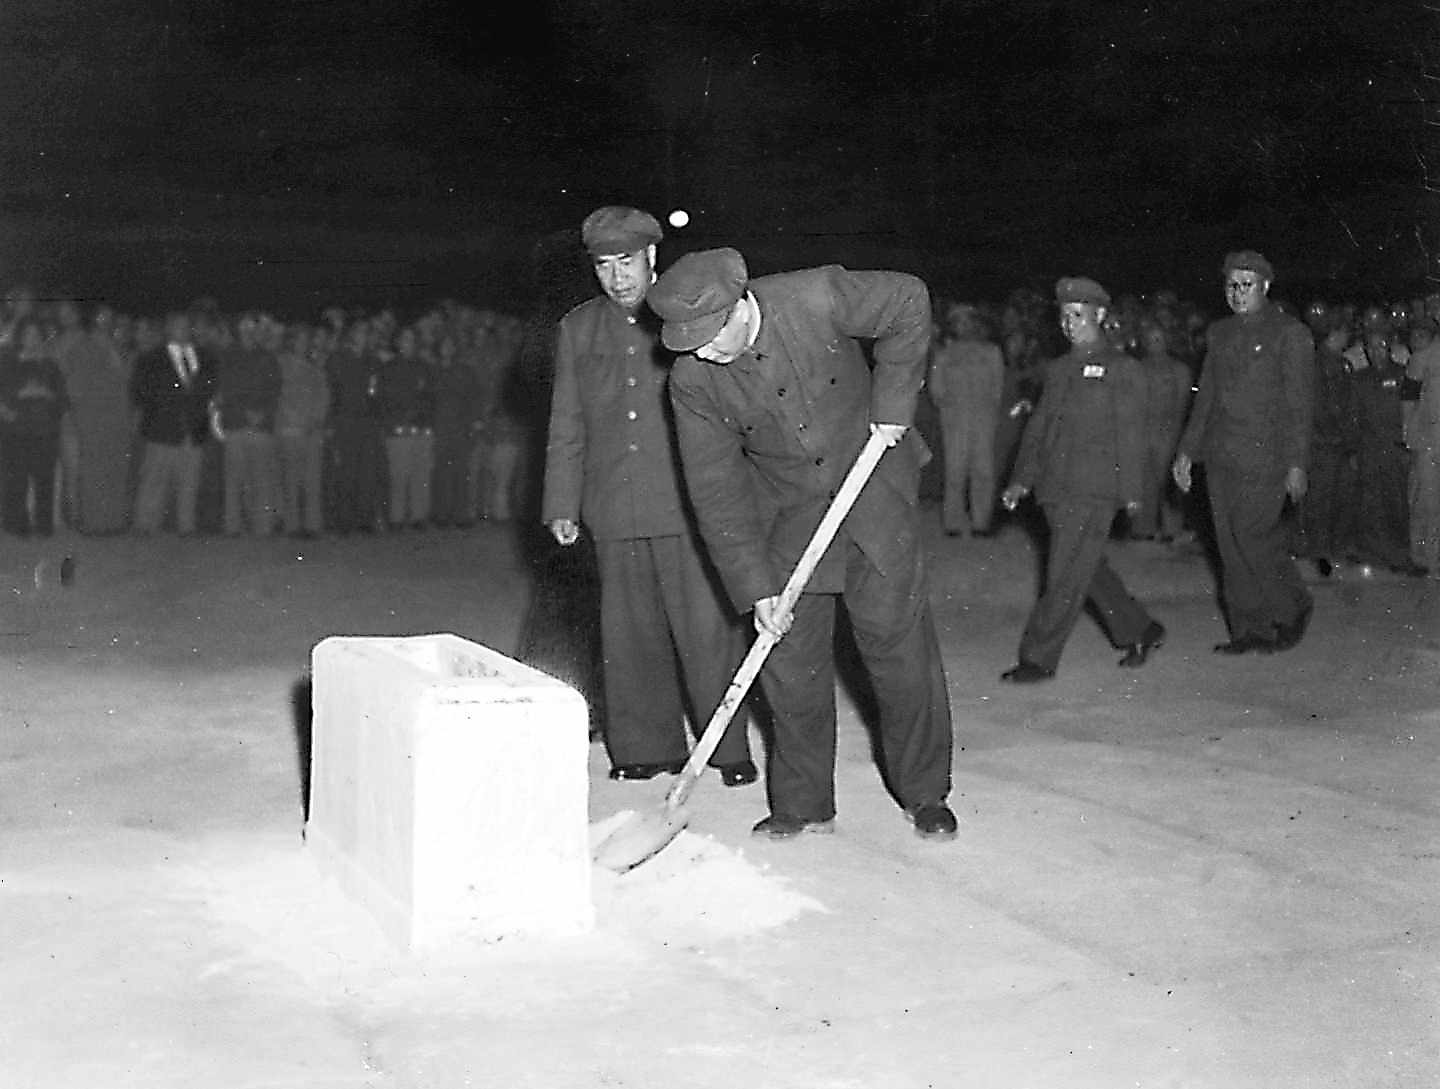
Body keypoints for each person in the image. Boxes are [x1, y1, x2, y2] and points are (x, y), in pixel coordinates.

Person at [650, 246, 957, 841]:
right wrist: (755, 586)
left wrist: (894, 404)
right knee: (791, 663)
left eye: (712, 335)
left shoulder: (815, 295)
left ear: (743, 305)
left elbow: (907, 298)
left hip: (872, 489)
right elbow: (715, 489)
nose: (703, 352)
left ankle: (924, 793)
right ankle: (802, 802)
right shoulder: (692, 379)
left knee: (898, 654)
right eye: (687, 341)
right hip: (786, 515)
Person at [541, 208, 756, 787]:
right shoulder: (578, 328)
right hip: (612, 503)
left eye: (628, 262)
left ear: (652, 259)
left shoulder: (682, 315)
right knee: (627, 631)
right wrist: (562, 502)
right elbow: (568, 420)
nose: (618, 278)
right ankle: (644, 747)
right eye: (606, 266)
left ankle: (726, 747)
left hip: (687, 503)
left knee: (706, 629)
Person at [997, 277, 1164, 682]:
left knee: (1063, 574)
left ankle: (1038, 657)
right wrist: (1022, 479)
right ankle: (1140, 629)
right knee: (1082, 568)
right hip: (1055, 487)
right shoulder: (1057, 369)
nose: (1069, 323)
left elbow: (1131, 434)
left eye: (1077, 315)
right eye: (1064, 316)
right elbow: (1038, 429)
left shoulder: (1122, 369)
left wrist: (1131, 494)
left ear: (1101, 316)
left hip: (1095, 489)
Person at [1172, 251, 1315, 654]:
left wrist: (1297, 463)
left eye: (1246, 285)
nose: (1237, 293)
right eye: (1231, 285)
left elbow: (1300, 405)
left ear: (1266, 286)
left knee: (1252, 536)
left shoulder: (1290, 334)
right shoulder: (1220, 334)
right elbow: (1206, 400)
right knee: (1229, 545)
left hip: (1267, 455)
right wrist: (1186, 452)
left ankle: (1291, 607)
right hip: (1222, 455)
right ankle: (1250, 628)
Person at [129, 311, 217, 536]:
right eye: (178, 325)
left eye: (188, 325)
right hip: (162, 429)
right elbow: (140, 393)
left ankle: (186, 526)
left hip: (193, 429)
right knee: (154, 480)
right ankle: (145, 525)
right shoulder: (150, 359)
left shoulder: (205, 357)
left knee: (189, 482)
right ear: (168, 329)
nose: (184, 329)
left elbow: (210, 390)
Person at [927, 303, 1004, 537]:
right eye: (958, 322)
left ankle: (981, 522)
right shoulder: (945, 355)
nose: (964, 325)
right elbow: (936, 389)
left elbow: (997, 388)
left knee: (983, 471)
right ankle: (953, 522)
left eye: (968, 320)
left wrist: (987, 411)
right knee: (955, 471)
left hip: (983, 419)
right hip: (954, 421)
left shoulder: (991, 352)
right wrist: (950, 409)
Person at [0, 319, 69, 537]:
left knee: (45, 480)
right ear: (20, 337)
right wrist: (18, 397)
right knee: (17, 480)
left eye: (36, 334)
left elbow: (63, 399)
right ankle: (17, 525)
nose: (32, 338)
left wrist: (47, 395)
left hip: (45, 429)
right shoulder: (8, 363)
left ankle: (44, 525)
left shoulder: (50, 365)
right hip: (17, 429)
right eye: (27, 334)